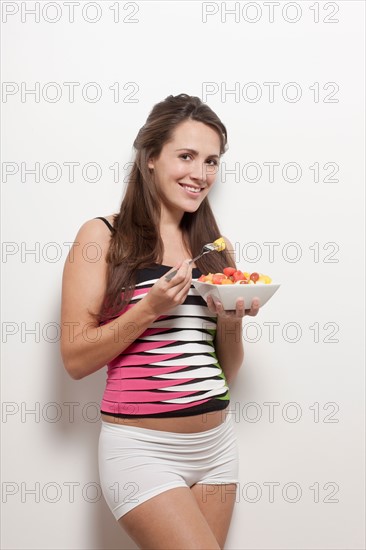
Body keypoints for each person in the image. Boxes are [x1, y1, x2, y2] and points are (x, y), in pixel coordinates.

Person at [60, 93, 260, 550]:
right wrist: (148, 309)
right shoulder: (102, 236)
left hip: (217, 449)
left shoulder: (215, 248)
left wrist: (231, 321)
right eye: (185, 156)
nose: (200, 174)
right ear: (150, 157)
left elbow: (224, 371)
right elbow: (74, 359)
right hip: (142, 451)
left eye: (211, 161)